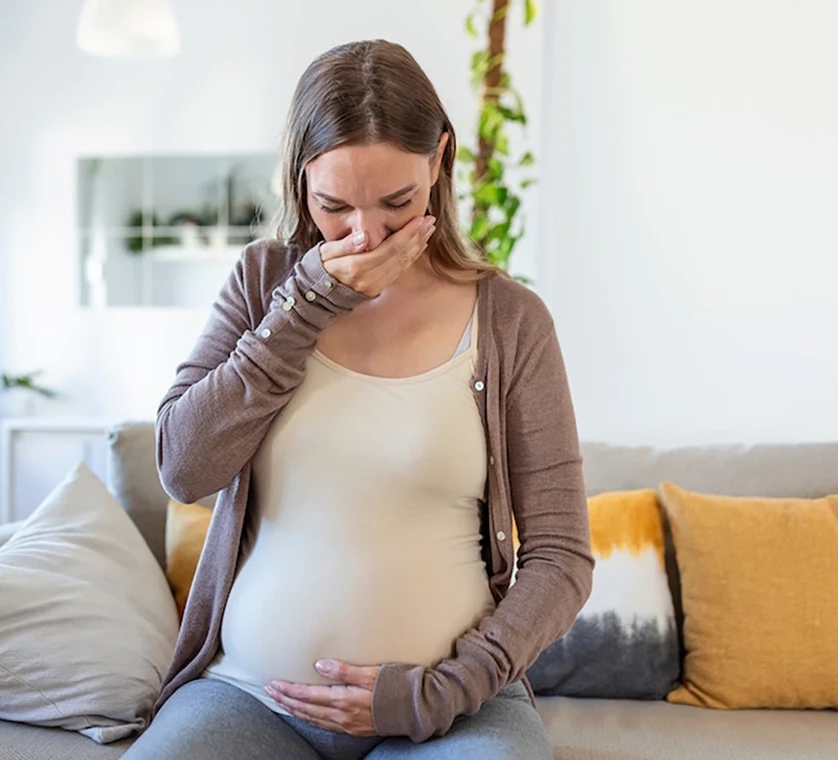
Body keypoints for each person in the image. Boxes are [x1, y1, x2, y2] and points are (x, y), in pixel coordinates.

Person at [125, 39, 593, 760]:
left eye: (398, 202)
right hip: (251, 697)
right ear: (299, 181)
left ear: (438, 161)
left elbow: (561, 557)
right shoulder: (261, 285)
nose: (365, 234)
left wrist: (438, 693)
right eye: (334, 206)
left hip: (453, 712)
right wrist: (305, 304)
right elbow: (183, 469)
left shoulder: (510, 321)